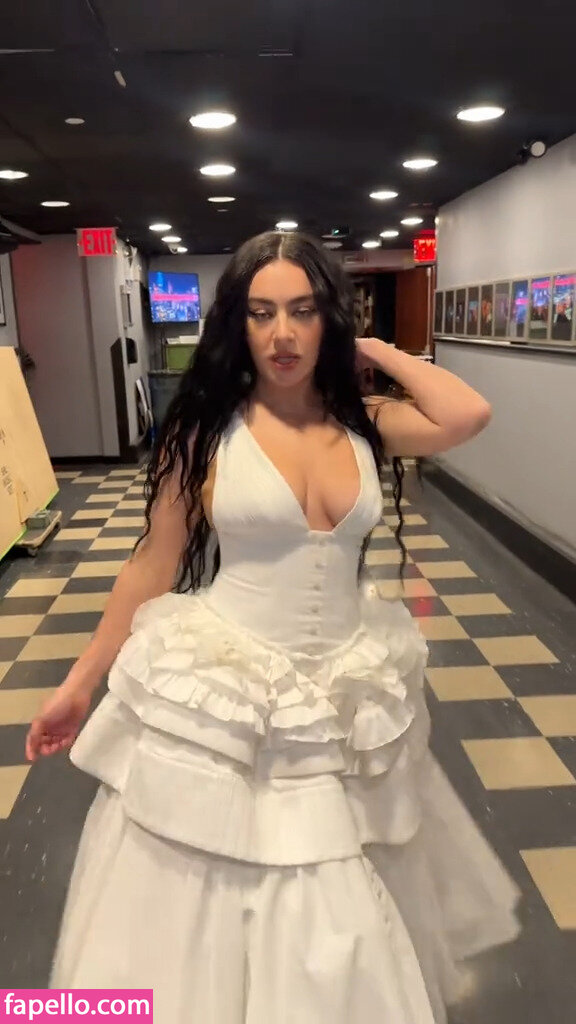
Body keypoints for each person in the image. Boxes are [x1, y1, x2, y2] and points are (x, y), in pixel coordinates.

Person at [26, 231, 520, 1024]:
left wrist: (372, 347)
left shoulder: (365, 423)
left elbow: (470, 412)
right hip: (229, 693)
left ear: (329, 319)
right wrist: (81, 684)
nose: (282, 334)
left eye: (303, 311)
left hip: (339, 699)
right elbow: (152, 566)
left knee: (338, 900)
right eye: (262, 313)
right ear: (238, 323)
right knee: (209, 902)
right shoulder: (205, 432)